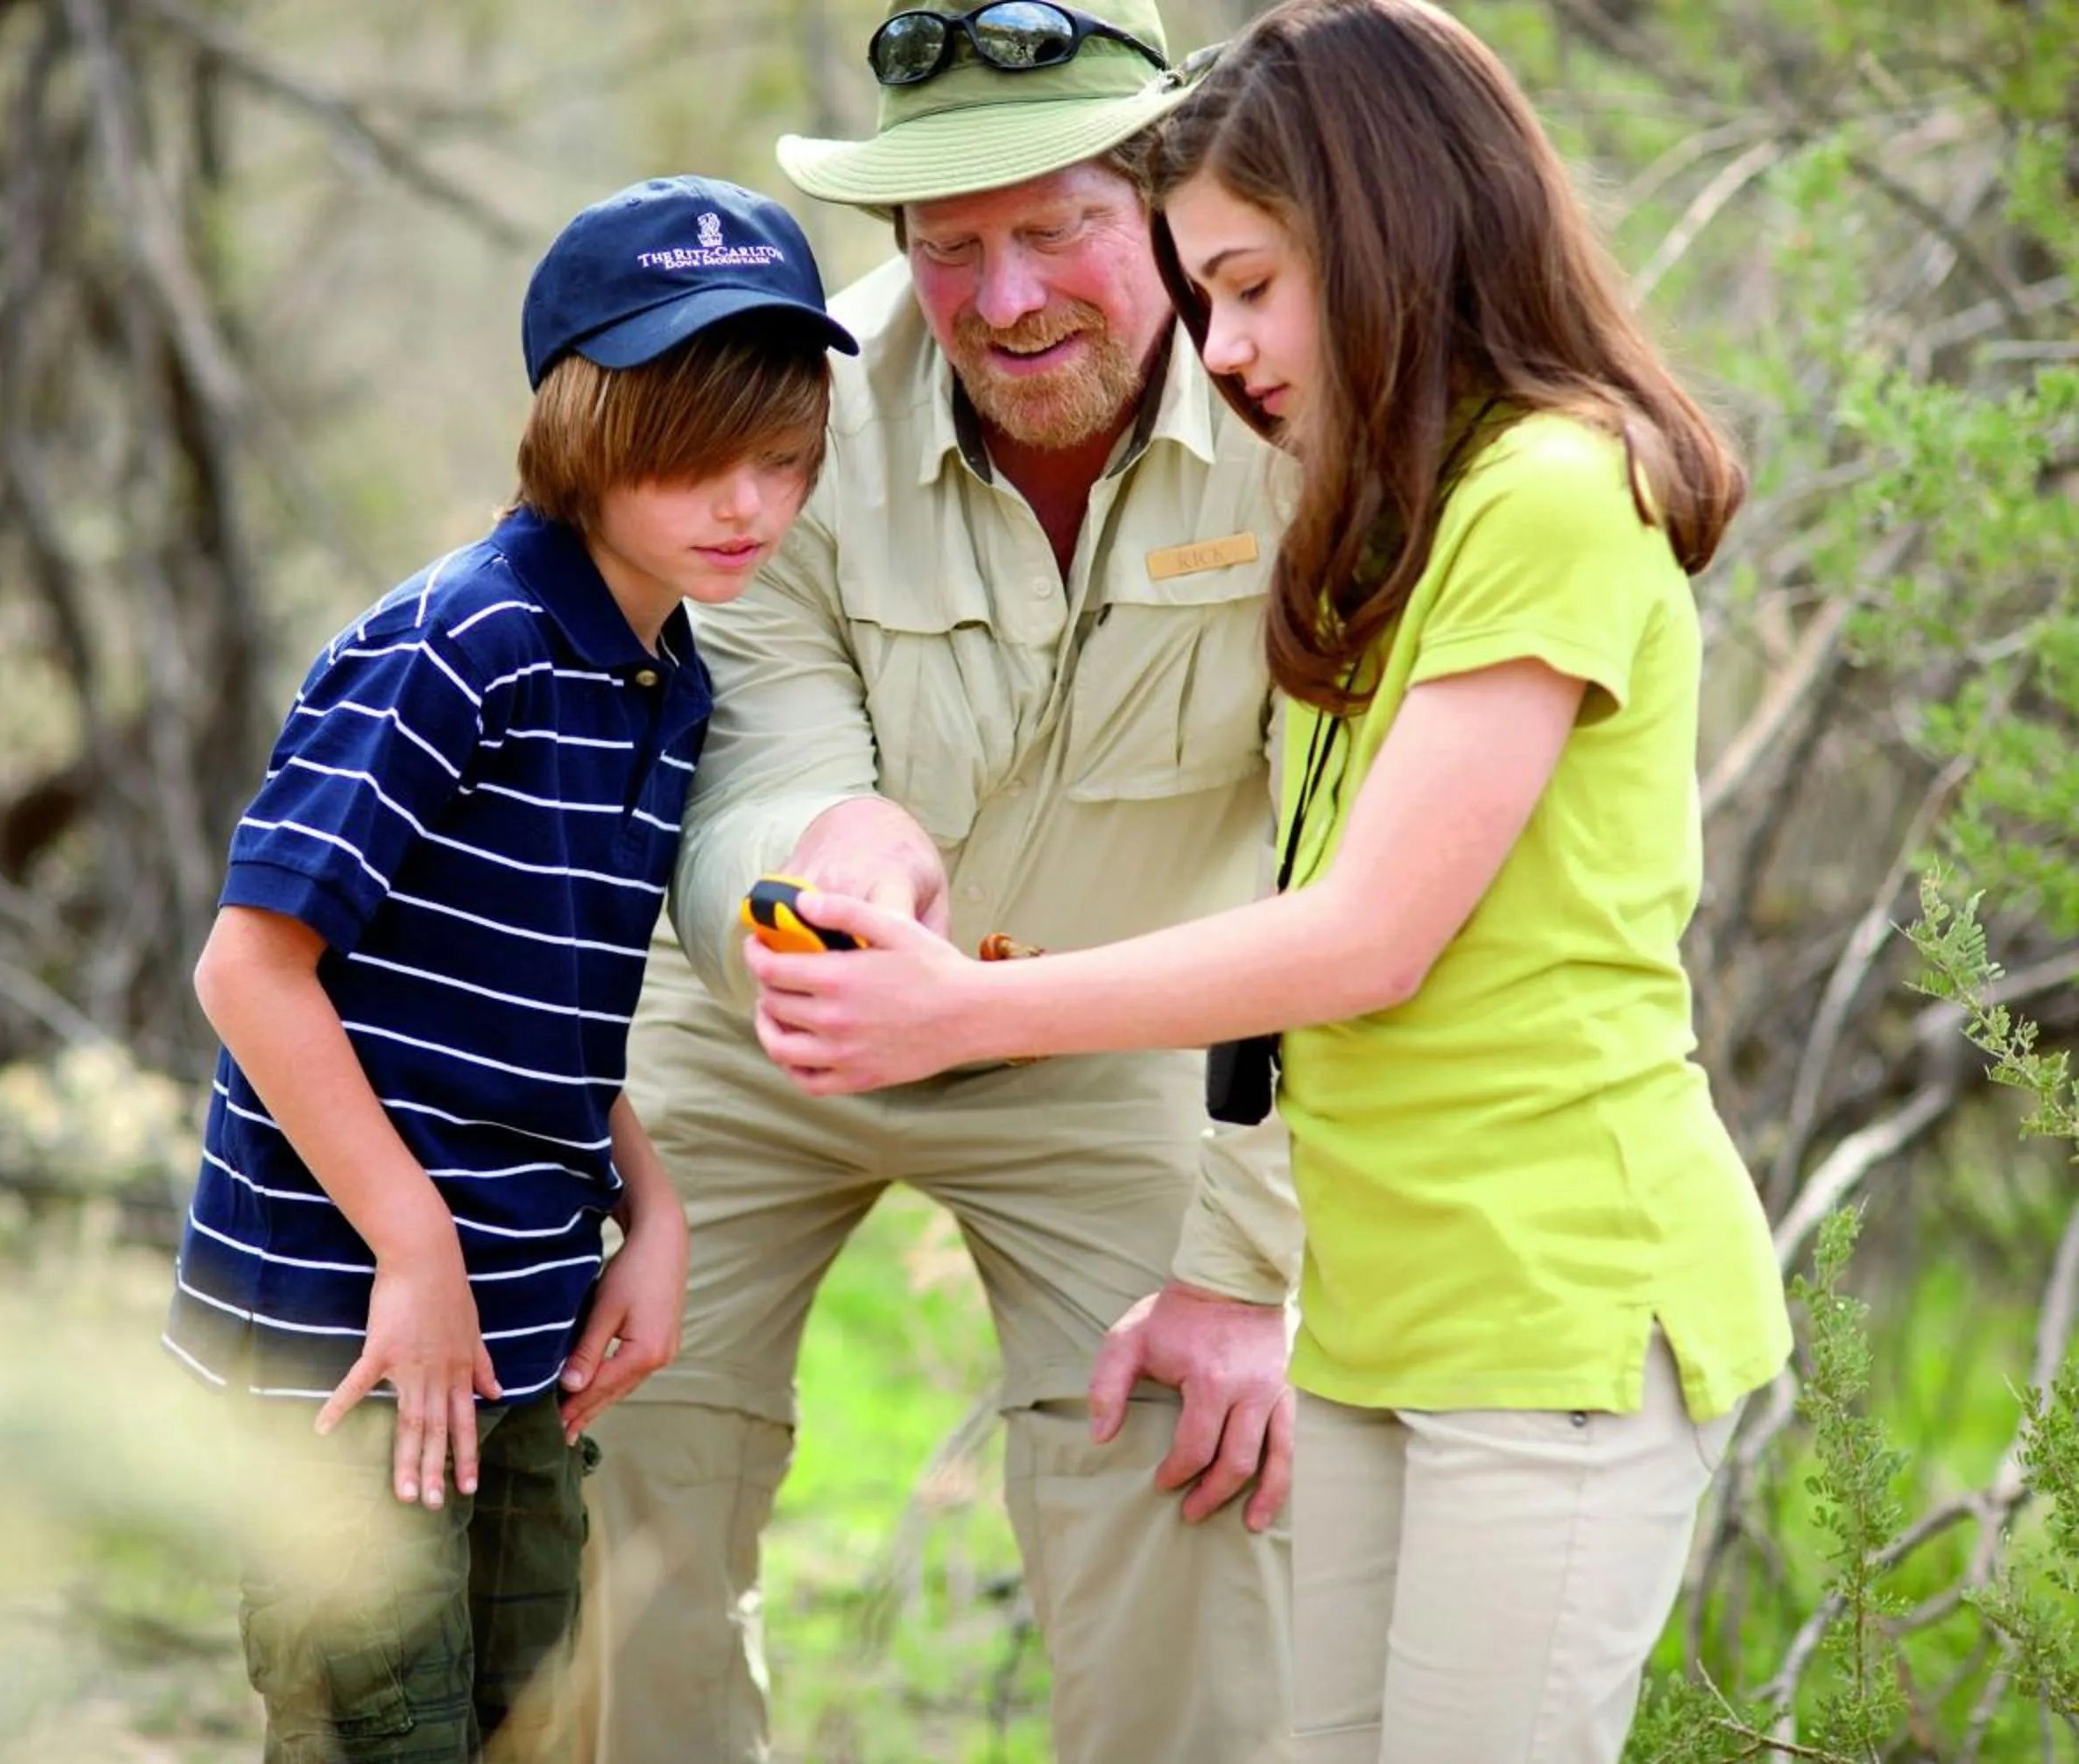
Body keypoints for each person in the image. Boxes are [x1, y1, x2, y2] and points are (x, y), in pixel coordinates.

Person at [744, 2, 1799, 1758]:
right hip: (1386, 1319)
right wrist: (1242, 1268)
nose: (1218, 350)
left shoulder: (1549, 493)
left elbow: (1364, 938)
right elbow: (1296, 907)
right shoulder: (1382, 508)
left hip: (1551, 1315)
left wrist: (973, 1005)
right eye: (1205, 292)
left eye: (1244, 287)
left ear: (1388, 240)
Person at [576, 7, 1301, 1760]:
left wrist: (1253, 1257)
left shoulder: (1304, 408)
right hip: (776, 1025)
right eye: (950, 245)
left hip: (1113, 1040)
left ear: (1160, 199)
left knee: (1198, 1483)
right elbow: (754, 747)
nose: (1003, 298)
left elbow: (1338, 872)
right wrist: (820, 867)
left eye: (1056, 226)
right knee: (607, 1461)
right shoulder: (800, 413)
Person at [160, 175, 856, 1764]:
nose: (743, 503)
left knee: (522, 1718)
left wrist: (655, 1208)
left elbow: (542, 1000)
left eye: (781, 458)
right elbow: (250, 972)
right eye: (692, 454)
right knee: (374, 1730)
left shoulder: (665, 670)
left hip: (511, 1323)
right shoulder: (453, 646)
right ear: (582, 421)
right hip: (347, 1328)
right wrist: (411, 1247)